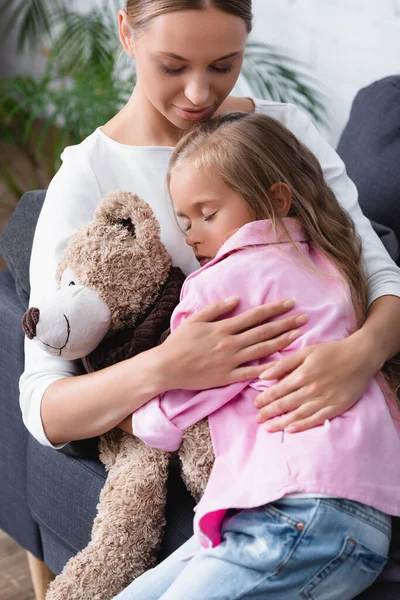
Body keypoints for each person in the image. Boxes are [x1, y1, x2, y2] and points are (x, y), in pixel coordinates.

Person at [20, 2, 400, 464]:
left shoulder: (282, 130)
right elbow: (43, 407)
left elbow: (381, 275)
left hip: (332, 431)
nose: (200, 94)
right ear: (127, 34)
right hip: (216, 448)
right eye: (172, 67)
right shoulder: (89, 175)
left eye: (224, 66)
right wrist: (167, 366)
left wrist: (360, 356)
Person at [112, 111, 400, 600]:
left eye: (207, 213)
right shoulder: (338, 267)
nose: (191, 236)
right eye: (184, 220)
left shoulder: (221, 284)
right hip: (343, 511)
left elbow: (178, 400)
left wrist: (130, 419)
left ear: (275, 199)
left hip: (295, 509)